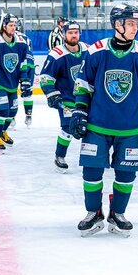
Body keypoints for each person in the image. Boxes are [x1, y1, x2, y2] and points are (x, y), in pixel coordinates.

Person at [71, 4, 138, 237]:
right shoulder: (96, 51)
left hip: (130, 127)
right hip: (96, 125)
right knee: (91, 171)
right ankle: (94, 212)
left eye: (136, 24)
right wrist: (79, 111)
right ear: (117, 24)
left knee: (126, 174)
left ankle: (117, 213)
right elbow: (84, 84)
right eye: (130, 23)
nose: (135, 28)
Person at [0, 13, 36, 149]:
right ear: (3, 26)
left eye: (15, 25)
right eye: (10, 25)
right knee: (3, 111)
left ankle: (2, 132)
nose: (13, 28)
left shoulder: (21, 43)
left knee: (12, 112)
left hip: (12, 84)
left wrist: (25, 79)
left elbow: (23, 63)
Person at [39, 19, 90, 173]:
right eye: (70, 33)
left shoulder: (89, 50)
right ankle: (59, 156)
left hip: (87, 97)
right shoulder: (56, 54)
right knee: (68, 127)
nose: (73, 36)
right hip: (67, 98)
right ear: (63, 34)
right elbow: (45, 77)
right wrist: (51, 93)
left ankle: (94, 157)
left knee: (93, 127)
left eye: (76, 32)